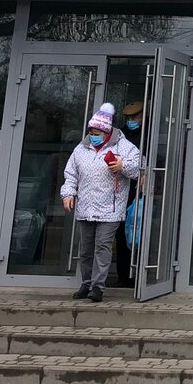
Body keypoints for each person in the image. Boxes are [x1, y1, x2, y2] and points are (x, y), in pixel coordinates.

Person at [61, 102, 141, 301]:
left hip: (110, 208)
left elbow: (139, 167)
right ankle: (86, 283)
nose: (93, 135)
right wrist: (68, 194)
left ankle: (97, 287)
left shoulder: (124, 147)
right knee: (86, 249)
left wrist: (122, 166)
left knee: (102, 246)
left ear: (107, 132)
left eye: (97, 133)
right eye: (91, 132)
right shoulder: (82, 148)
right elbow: (71, 174)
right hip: (85, 207)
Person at [113, 101, 145, 287]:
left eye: (135, 117)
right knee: (122, 233)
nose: (131, 120)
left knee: (140, 232)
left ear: (143, 116)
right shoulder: (120, 135)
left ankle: (140, 276)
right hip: (122, 188)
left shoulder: (149, 133)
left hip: (141, 190)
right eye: (128, 117)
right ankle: (123, 276)